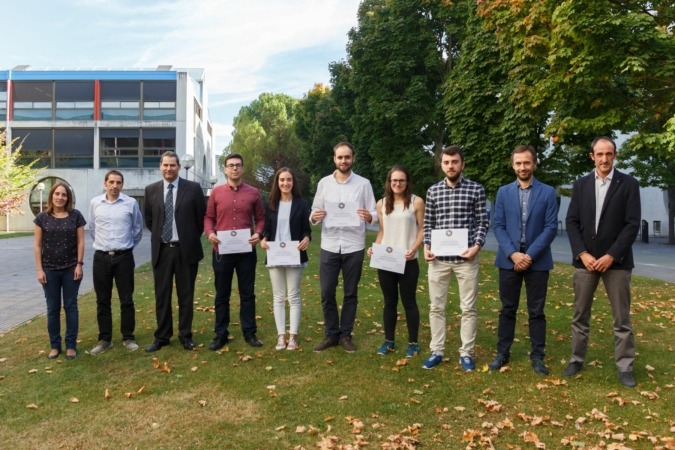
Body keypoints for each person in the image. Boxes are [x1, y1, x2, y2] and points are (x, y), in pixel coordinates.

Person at [563, 136, 641, 388]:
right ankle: (576, 360)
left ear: (615, 155)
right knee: (580, 315)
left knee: (622, 319)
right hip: (585, 262)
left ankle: (625, 366)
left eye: (609, 154)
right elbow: (572, 222)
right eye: (600, 154)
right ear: (592, 156)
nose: (604, 159)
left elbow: (632, 224)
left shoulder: (629, 184)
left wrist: (611, 255)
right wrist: (582, 253)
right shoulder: (580, 185)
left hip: (616, 263)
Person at [488, 146, 558, 375]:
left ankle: (537, 356)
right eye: (518, 163)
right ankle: (502, 353)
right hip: (509, 260)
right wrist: (513, 253)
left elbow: (550, 228)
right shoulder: (503, 192)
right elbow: (497, 225)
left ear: (534, 164)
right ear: (513, 165)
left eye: (526, 163)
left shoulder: (547, 192)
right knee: (507, 308)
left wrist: (529, 255)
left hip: (537, 261)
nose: (522, 167)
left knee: (536, 311)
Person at [422, 145, 488, 370]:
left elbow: (482, 222)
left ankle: (466, 353)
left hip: (466, 260)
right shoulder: (433, 191)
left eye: (455, 162)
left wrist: (476, 246)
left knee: (468, 308)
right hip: (438, 260)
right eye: (446, 162)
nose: (450, 166)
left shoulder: (476, 189)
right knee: (436, 307)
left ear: (462, 164)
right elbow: (428, 223)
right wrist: (426, 246)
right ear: (441, 164)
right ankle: (436, 350)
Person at [310, 142, 378, 353]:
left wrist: (369, 217)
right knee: (327, 291)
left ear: (353, 159)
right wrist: (315, 216)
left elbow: (374, 213)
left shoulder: (363, 184)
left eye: (347, 157)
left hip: (354, 246)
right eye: (340, 157)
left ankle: (346, 335)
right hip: (329, 245)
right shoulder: (324, 183)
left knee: (350, 293)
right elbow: (314, 211)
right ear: (334, 159)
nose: (343, 161)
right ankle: (331, 334)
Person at [144, 151, 206, 352]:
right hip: (162, 250)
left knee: (186, 296)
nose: (169, 169)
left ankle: (185, 335)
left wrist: (187, 237)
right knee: (162, 296)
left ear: (179, 167)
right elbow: (150, 220)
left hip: (185, 250)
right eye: (165, 165)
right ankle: (162, 336)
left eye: (172, 165)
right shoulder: (151, 190)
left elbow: (200, 220)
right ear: (160, 167)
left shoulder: (193, 189)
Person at [204, 153, 265, 349]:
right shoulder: (216, 192)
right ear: (225, 169)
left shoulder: (254, 193)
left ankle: (249, 332)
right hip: (222, 251)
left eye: (238, 165)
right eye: (231, 166)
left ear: (243, 168)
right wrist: (210, 232)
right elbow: (208, 217)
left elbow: (261, 218)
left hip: (246, 251)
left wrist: (259, 233)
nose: (235, 169)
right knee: (222, 294)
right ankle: (220, 334)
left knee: (247, 293)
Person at [367, 166, 424, 358]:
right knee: (389, 302)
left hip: (408, 260)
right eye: (394, 180)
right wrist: (375, 247)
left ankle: (413, 343)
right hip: (387, 261)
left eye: (401, 180)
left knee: (409, 302)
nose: (397, 184)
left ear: (407, 182)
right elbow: (382, 231)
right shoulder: (382, 203)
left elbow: (423, 229)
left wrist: (414, 249)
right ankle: (389, 341)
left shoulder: (416, 202)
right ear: (389, 183)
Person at [89, 170, 143, 355]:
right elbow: (93, 229)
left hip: (124, 257)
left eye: (118, 182)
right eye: (111, 182)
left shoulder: (131, 203)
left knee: (126, 299)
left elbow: (137, 229)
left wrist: (126, 247)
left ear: (122, 184)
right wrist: (106, 246)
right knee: (102, 300)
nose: (115, 185)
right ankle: (105, 339)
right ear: (105, 183)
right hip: (101, 258)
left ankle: (128, 337)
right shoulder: (95, 203)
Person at [260, 168, 311, 351]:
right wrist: (263, 238)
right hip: (275, 254)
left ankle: (293, 336)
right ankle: (281, 336)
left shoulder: (302, 204)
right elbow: (265, 229)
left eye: (289, 180)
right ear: (277, 182)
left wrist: (307, 238)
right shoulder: (270, 204)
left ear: (293, 182)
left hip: (294, 254)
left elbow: (307, 229)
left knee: (294, 296)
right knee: (278, 296)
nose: (285, 183)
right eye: (282, 180)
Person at [33, 183, 86, 360]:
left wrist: (79, 264)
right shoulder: (42, 218)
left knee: (71, 307)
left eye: (64, 195)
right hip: (49, 271)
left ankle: (71, 345)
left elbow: (80, 242)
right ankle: (55, 346)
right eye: (57, 194)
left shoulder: (76, 216)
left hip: (71, 269)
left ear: (68, 198)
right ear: (51, 196)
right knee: (52, 308)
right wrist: (40, 270)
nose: (60, 197)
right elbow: (37, 245)